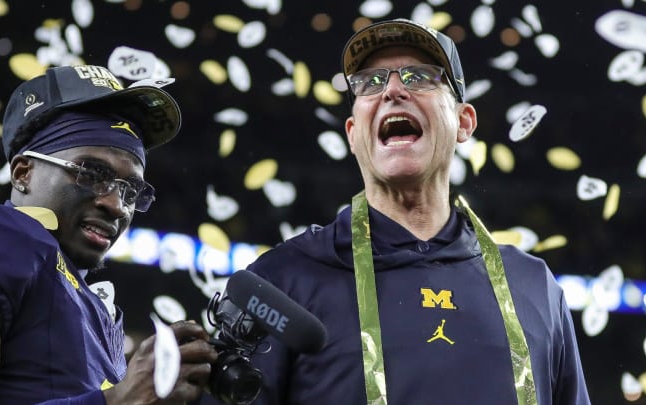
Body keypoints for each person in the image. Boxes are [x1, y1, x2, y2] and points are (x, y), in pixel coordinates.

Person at [242, 19, 591, 404]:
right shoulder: (283, 281)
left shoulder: (534, 287)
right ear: (353, 133)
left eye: (420, 76)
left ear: (463, 122)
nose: (392, 90)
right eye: (371, 82)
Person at [0, 65, 218, 404]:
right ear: (23, 173)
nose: (117, 206)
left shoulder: (95, 306)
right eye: (91, 173)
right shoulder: (0, 233)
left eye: (130, 191)